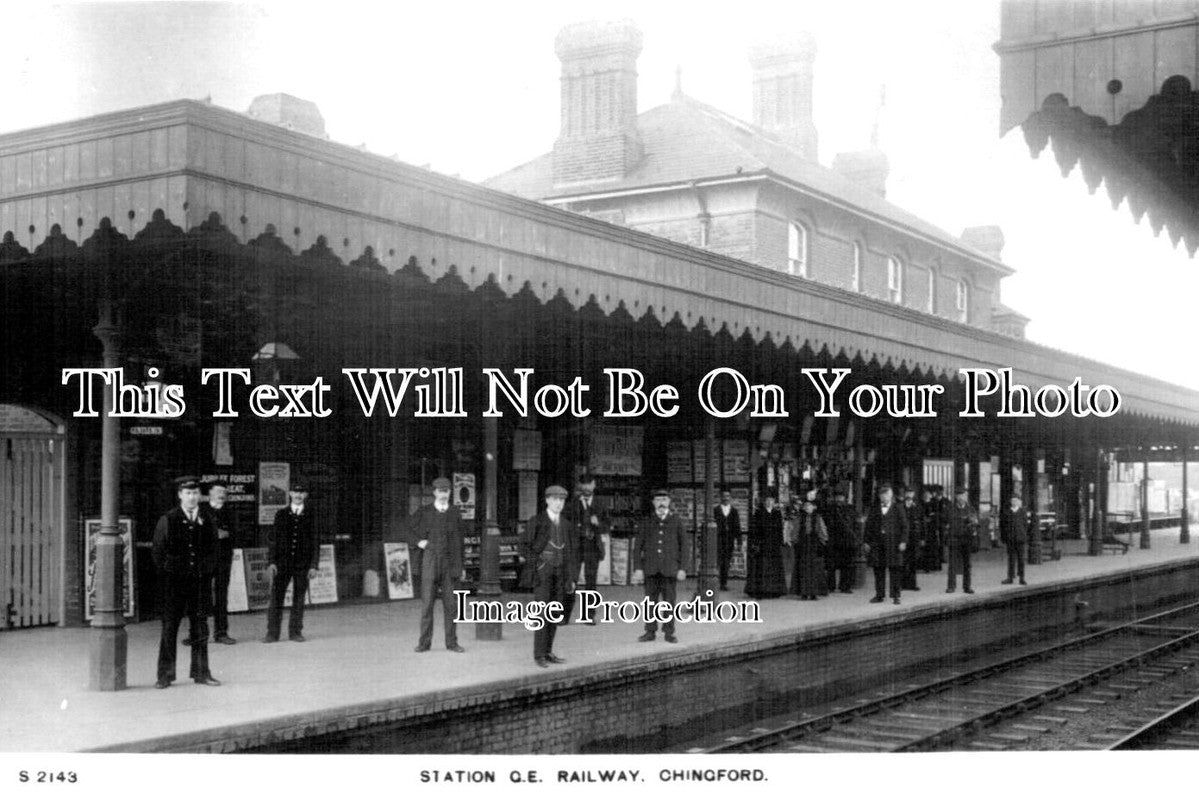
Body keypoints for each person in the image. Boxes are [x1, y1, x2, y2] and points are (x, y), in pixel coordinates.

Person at [152, 476, 220, 688]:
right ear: (180, 495)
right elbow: (158, 552)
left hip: (199, 583)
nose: (192, 497)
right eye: (187, 493)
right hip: (174, 584)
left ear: (200, 496)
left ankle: (201, 672)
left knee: (200, 628)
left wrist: (207, 571)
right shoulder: (169, 519)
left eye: (195, 493)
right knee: (170, 628)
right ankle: (165, 675)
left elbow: (214, 550)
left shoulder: (207, 519)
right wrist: (169, 573)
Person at [409, 477, 467, 653]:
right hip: (430, 562)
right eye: (441, 491)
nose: (444, 494)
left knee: (451, 606)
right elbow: (407, 530)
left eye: (447, 491)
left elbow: (460, 541)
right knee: (427, 604)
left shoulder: (455, 513)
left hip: (450, 564)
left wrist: (462, 566)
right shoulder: (424, 511)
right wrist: (420, 543)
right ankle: (424, 643)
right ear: (434, 492)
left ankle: (452, 643)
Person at [263, 481, 320, 643]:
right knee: (276, 598)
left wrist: (314, 565)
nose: (298, 495)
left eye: (302, 492)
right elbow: (273, 540)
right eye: (295, 492)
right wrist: (272, 562)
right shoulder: (281, 514)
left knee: (299, 598)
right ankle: (272, 633)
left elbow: (316, 541)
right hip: (283, 563)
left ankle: (295, 632)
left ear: (306, 495)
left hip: (303, 564)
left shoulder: (311, 514)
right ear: (290, 494)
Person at [530, 485, 578, 666]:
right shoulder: (537, 521)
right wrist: (537, 563)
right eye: (555, 499)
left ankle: (548, 651)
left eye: (562, 500)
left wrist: (572, 577)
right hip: (543, 573)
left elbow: (572, 552)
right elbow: (523, 546)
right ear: (547, 500)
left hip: (561, 573)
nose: (559, 503)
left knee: (555, 613)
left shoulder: (566, 525)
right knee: (542, 613)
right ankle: (538, 655)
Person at [633, 488, 686, 643]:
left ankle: (669, 632)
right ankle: (650, 631)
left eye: (664, 500)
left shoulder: (676, 521)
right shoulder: (647, 521)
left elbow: (684, 546)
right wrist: (638, 568)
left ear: (669, 502)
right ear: (653, 503)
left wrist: (682, 568)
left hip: (670, 569)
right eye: (658, 500)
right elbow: (638, 547)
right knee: (651, 602)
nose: (661, 503)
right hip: (651, 568)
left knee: (669, 602)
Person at [565, 474, 608, 625]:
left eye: (589, 484)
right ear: (580, 486)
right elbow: (565, 523)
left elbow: (607, 525)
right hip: (575, 547)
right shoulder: (572, 503)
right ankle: (564, 615)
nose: (587, 488)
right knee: (571, 580)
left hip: (592, 547)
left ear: (594, 485)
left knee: (591, 583)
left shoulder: (600, 504)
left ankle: (589, 615)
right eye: (584, 485)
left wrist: (599, 524)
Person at [863, 482, 909, 605]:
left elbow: (905, 526)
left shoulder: (898, 508)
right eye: (882, 495)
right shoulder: (875, 509)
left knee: (895, 569)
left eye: (886, 494)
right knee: (878, 569)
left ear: (891, 495)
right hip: (878, 543)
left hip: (893, 543)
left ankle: (896, 595)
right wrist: (866, 541)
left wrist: (903, 541)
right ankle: (879, 594)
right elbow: (868, 526)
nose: (884, 497)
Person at [204, 480, 237, 645]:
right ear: (210, 493)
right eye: (218, 491)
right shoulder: (201, 511)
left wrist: (228, 534)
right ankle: (198, 634)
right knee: (201, 595)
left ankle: (221, 633)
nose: (222, 495)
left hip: (223, 558)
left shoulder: (230, 512)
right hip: (204, 559)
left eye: (224, 492)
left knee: (221, 595)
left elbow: (238, 533)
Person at [746, 492, 788, 599]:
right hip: (762, 544)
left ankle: (774, 590)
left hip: (773, 545)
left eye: (771, 501)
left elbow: (779, 529)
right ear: (764, 502)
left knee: (773, 567)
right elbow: (754, 529)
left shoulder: (777, 514)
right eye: (767, 501)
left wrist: (780, 542)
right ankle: (761, 590)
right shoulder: (759, 513)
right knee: (761, 567)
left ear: (774, 502)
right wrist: (755, 542)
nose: (769, 503)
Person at [791, 489, 828, 600]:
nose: (808, 508)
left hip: (813, 544)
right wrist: (794, 541)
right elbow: (795, 530)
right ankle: (803, 592)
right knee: (803, 568)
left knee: (814, 569)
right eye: (806, 506)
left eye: (810, 506)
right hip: (803, 544)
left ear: (814, 507)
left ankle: (813, 593)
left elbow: (822, 530)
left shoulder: (817, 518)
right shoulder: (799, 518)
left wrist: (823, 541)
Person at [824, 485, 858, 593]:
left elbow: (854, 524)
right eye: (837, 497)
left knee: (847, 565)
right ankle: (831, 586)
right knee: (831, 565)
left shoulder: (849, 509)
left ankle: (845, 586)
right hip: (833, 540)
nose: (839, 499)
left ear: (844, 498)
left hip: (847, 541)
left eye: (841, 497)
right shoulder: (829, 509)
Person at [945, 486, 978, 594]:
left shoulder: (970, 509)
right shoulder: (950, 508)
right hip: (954, 538)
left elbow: (975, 523)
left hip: (966, 539)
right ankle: (951, 586)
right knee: (952, 564)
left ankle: (967, 586)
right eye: (958, 496)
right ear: (955, 497)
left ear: (965, 497)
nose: (960, 498)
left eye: (962, 496)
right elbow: (946, 522)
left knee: (967, 564)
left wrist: (972, 524)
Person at [1000, 493, 1032, 586]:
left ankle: (1022, 578)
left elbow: (1026, 525)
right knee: (1011, 558)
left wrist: (1025, 536)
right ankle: (1010, 577)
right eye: (1012, 500)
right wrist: (1004, 538)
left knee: (1021, 559)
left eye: (1016, 500)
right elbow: (1003, 526)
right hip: (1010, 539)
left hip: (1020, 539)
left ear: (1019, 502)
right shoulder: (1006, 512)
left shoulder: (1023, 512)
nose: (1014, 502)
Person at [714, 488, 741, 591]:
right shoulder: (716, 510)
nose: (725, 498)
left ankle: (723, 583)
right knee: (717, 561)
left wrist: (738, 541)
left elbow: (737, 526)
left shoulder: (734, 511)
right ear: (721, 497)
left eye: (727, 496)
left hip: (729, 540)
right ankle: (716, 582)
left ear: (730, 498)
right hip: (718, 539)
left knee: (726, 562)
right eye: (724, 496)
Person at [900, 486, 923, 591]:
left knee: (913, 561)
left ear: (914, 495)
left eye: (911, 493)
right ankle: (902, 584)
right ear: (905, 494)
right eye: (907, 493)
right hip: (903, 538)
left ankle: (912, 584)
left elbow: (922, 523)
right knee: (903, 561)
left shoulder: (918, 507)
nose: (909, 495)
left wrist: (923, 537)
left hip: (914, 537)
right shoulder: (899, 506)